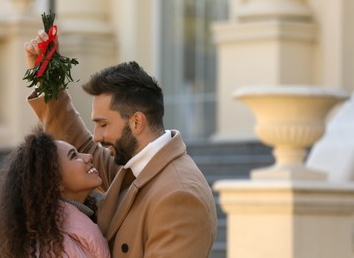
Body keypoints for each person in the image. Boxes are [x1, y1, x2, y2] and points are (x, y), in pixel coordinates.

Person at [24, 29, 217, 257]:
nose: (96, 136)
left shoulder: (179, 196)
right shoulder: (138, 166)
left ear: (137, 122)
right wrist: (47, 75)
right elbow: (82, 147)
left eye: (103, 124)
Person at [0, 127, 111, 258]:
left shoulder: (71, 233)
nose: (89, 156)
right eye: (74, 156)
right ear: (55, 181)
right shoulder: (48, 250)